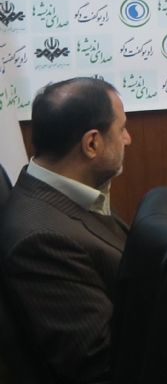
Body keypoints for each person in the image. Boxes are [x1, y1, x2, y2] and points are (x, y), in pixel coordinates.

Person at [0, 77, 132, 384]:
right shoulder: (42, 240)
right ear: (91, 144)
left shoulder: (71, 192)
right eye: (122, 129)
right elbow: (100, 366)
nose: (128, 139)